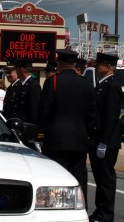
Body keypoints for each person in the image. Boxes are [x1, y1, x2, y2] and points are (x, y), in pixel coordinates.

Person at [37, 49, 97, 206]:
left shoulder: (53, 82)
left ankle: (57, 206)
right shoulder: (86, 84)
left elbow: (44, 111)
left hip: (56, 138)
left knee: (57, 176)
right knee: (79, 176)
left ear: (59, 63)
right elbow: (92, 114)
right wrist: (86, 133)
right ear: (74, 64)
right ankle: (81, 206)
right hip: (79, 138)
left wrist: (40, 134)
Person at [88, 52, 123, 222]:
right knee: (100, 179)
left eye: (99, 64)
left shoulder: (112, 85)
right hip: (98, 138)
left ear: (107, 67)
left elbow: (110, 117)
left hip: (106, 142)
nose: (96, 67)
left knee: (105, 179)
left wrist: (103, 142)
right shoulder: (102, 84)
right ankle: (100, 210)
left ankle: (105, 214)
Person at [3, 59, 41, 124]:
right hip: (18, 123)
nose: (16, 71)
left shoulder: (33, 85)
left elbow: (34, 109)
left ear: (22, 69)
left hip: (26, 124)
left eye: (17, 69)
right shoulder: (20, 84)